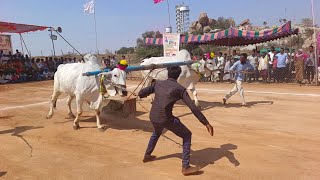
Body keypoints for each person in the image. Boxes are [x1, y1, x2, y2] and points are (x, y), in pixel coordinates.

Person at [138, 66, 214, 176]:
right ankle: (185, 167)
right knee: (187, 135)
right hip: (165, 118)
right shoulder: (180, 89)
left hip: (153, 116)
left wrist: (142, 94)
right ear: (178, 76)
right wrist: (205, 122)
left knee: (156, 132)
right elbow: (193, 107)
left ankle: (147, 156)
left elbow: (141, 93)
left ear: (168, 73)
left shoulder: (158, 83)